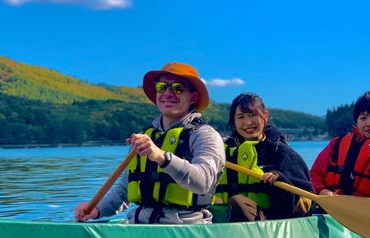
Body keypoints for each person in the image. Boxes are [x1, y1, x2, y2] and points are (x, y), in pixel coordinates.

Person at [74, 62, 225, 224]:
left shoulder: (205, 135)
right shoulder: (143, 137)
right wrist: (96, 210)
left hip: (186, 228)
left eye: (178, 88)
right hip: (140, 225)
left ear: (193, 97)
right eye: (162, 87)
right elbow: (123, 191)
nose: (168, 93)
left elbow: (204, 181)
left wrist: (162, 157)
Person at [215, 92, 314, 222]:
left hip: (271, 225)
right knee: (213, 203)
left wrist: (281, 183)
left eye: (253, 115)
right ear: (233, 121)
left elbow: (307, 204)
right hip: (226, 225)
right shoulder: (222, 153)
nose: (248, 122)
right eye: (241, 117)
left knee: (237, 203)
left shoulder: (284, 154)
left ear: (265, 116)